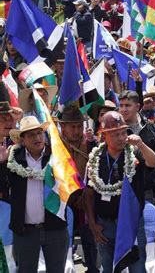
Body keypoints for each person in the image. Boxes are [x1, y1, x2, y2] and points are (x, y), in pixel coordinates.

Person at [84, 111, 155, 273]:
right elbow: (88, 195)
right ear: (104, 136)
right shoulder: (96, 157)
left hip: (132, 223)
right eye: (115, 134)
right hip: (104, 225)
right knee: (108, 267)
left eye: (123, 132)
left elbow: (154, 162)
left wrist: (141, 144)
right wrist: (92, 224)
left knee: (137, 268)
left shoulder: (134, 153)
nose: (121, 138)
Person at [7, 116, 69, 272]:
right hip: (25, 231)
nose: (37, 138)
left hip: (55, 228)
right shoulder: (13, 160)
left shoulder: (57, 157)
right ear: (22, 140)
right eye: (31, 135)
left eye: (39, 133)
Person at [58, 105, 98, 273]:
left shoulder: (90, 145)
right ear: (63, 127)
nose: (76, 130)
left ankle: (92, 268)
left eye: (79, 126)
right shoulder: (56, 146)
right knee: (63, 242)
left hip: (86, 201)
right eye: (72, 126)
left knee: (89, 239)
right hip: (63, 201)